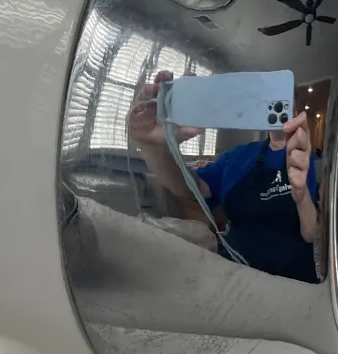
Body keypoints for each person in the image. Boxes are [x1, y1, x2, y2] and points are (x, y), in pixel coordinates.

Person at [126, 70, 320, 283]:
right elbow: (190, 188)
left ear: (295, 108)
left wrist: (301, 195)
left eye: (282, 98)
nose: (275, 105)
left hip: (292, 282)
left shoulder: (303, 158)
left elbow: (311, 233)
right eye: (267, 98)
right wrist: (158, 148)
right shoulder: (237, 157)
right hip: (232, 277)